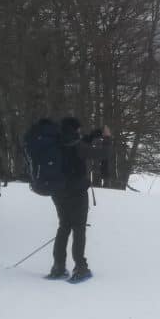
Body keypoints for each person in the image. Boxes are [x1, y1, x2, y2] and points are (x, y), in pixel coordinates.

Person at [46, 117, 113, 282]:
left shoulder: (55, 143)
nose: (80, 132)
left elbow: (80, 144)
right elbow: (103, 153)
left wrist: (93, 135)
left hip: (58, 192)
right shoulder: (77, 147)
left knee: (64, 226)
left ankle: (58, 267)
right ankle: (81, 268)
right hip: (77, 193)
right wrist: (107, 138)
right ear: (75, 130)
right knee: (79, 228)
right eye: (79, 129)